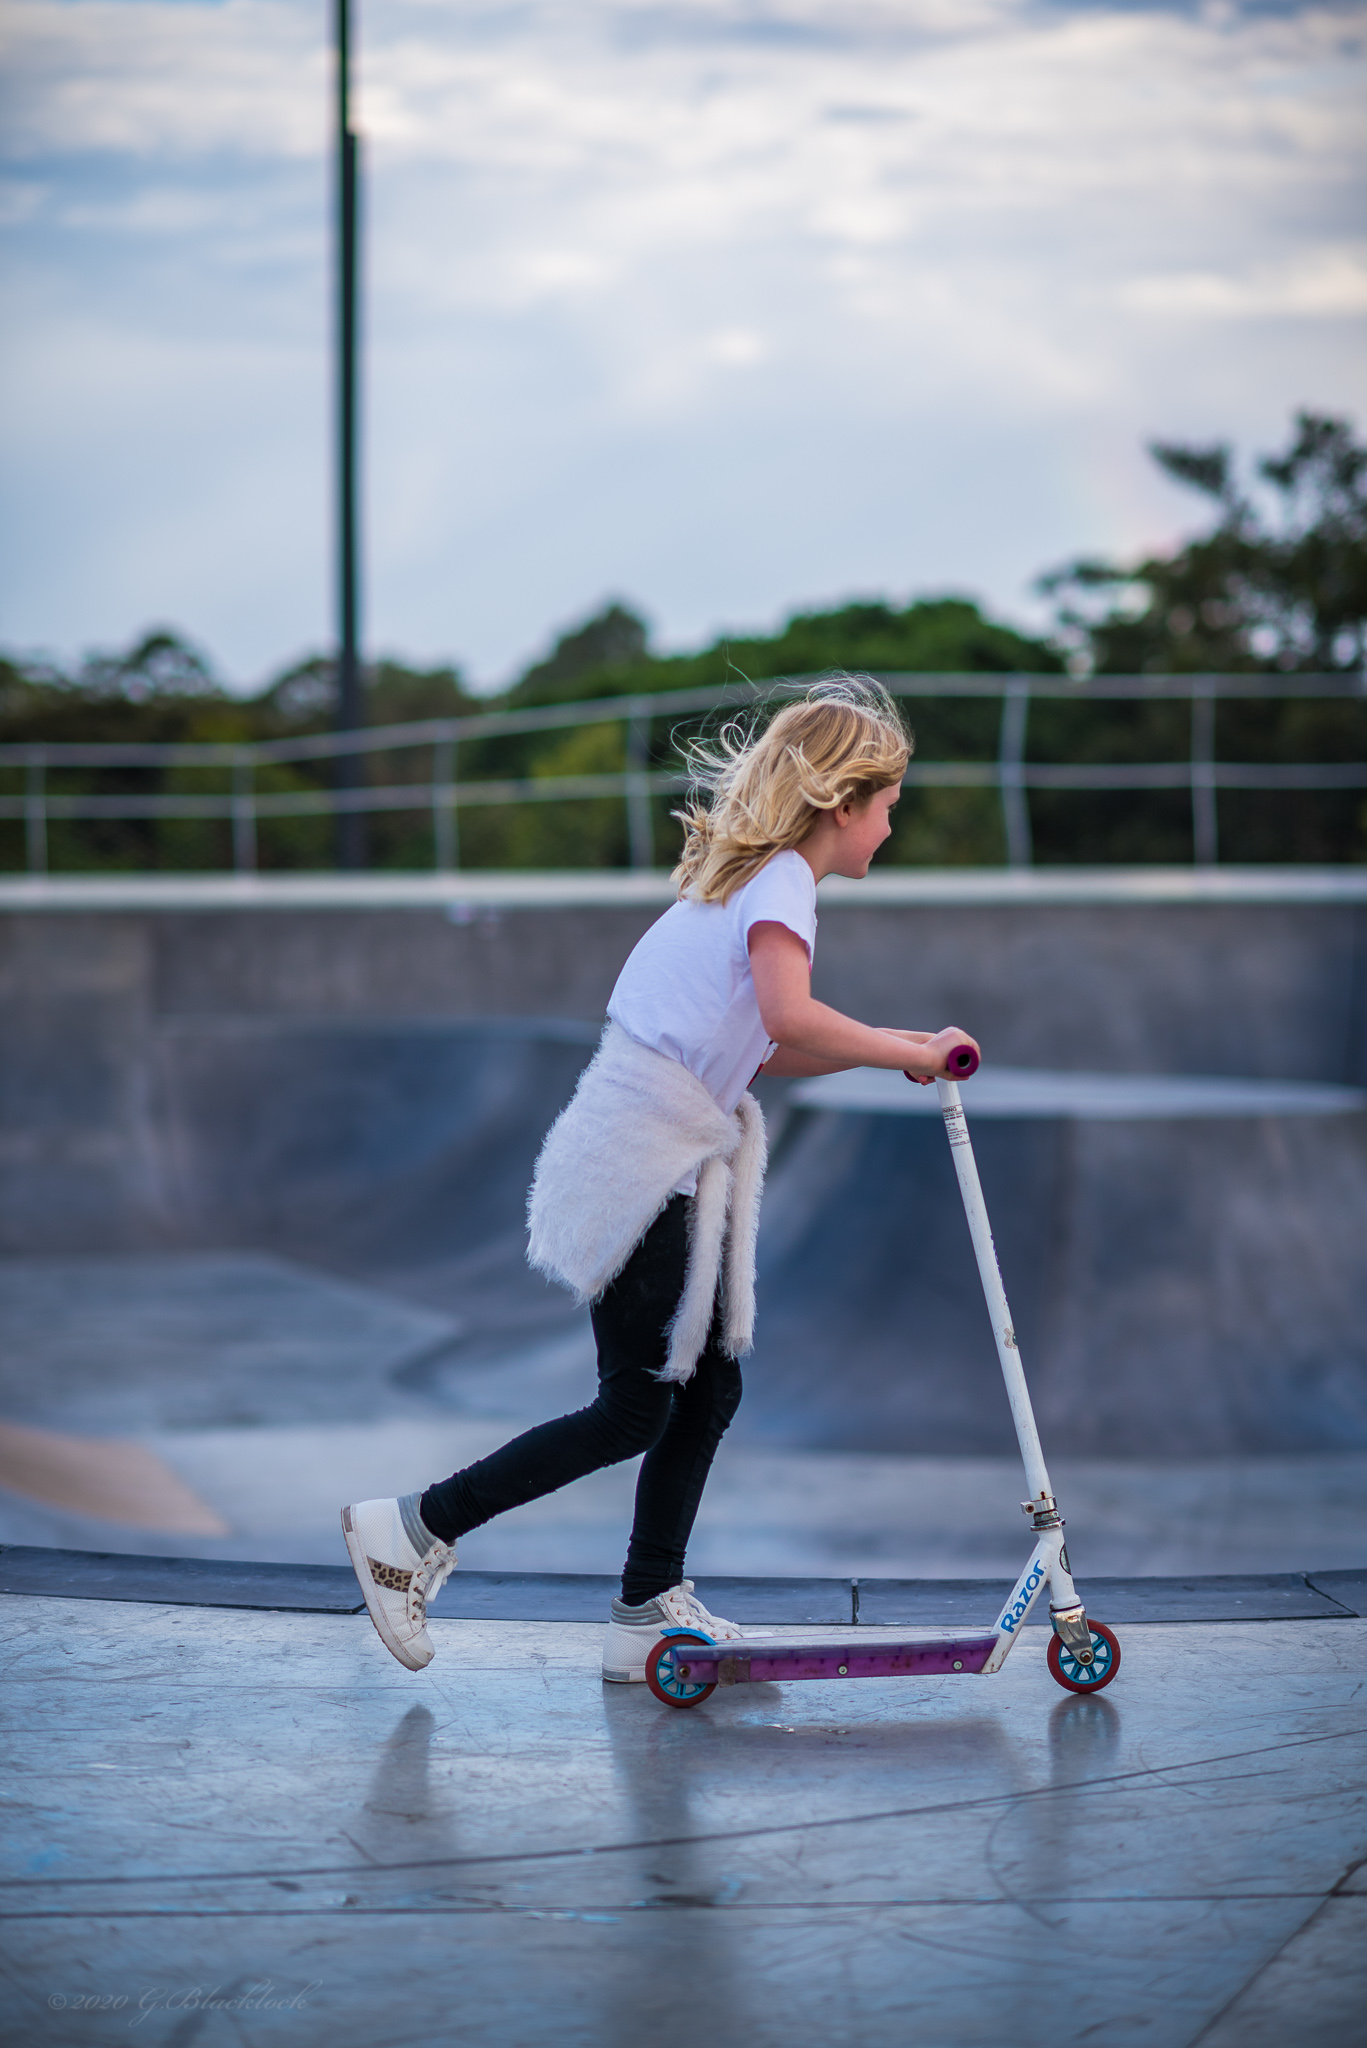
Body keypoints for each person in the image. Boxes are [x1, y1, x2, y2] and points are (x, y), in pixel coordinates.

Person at [342, 677, 979, 1680]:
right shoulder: (783, 881)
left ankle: (646, 1603)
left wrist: (902, 1047)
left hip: (646, 1151)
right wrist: (900, 1047)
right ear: (840, 800)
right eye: (887, 805)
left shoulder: (746, 882)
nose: (891, 826)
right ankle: (413, 1526)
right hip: (644, 1162)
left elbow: (767, 1045)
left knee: (705, 1386)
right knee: (636, 1406)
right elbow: (789, 1017)